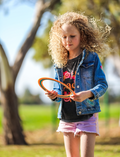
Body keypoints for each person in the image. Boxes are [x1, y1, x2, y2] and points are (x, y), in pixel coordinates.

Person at [45, 12, 110, 157]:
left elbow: (103, 84)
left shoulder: (92, 58)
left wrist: (87, 94)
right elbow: (58, 92)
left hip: (87, 115)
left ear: (82, 35)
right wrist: (54, 95)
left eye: (72, 36)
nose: (68, 40)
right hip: (67, 117)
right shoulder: (59, 63)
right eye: (64, 36)